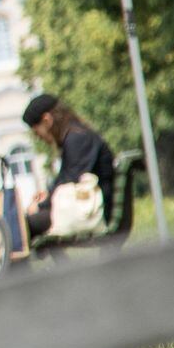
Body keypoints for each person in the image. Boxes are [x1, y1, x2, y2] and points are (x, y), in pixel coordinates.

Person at [22, 94, 116, 239]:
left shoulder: (77, 139)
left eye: (36, 131)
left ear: (47, 120)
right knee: (23, 225)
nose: (38, 137)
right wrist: (47, 196)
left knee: (23, 227)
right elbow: (67, 178)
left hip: (93, 211)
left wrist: (40, 206)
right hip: (89, 207)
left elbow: (70, 181)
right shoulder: (76, 135)